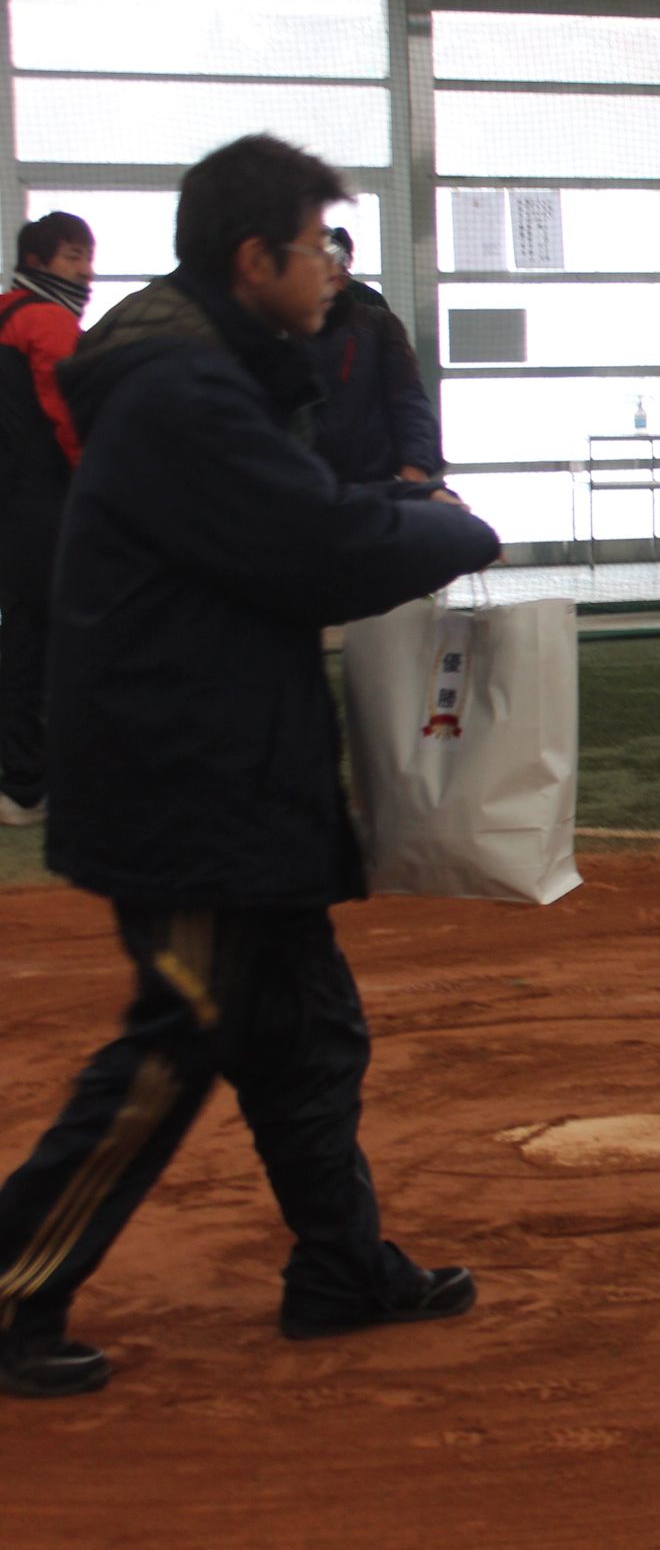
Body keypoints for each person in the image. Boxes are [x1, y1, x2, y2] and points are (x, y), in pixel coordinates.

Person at [0, 134, 502, 1400]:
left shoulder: (210, 369)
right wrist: (446, 525)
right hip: (183, 781)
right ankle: (11, 1284)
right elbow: (314, 542)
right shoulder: (184, 391)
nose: (335, 269)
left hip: (226, 767)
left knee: (307, 1033)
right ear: (253, 258)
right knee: (180, 1043)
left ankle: (340, 1267)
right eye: (318, 246)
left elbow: (301, 521)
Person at [0, 211, 93, 828]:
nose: (87, 271)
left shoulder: (6, 313)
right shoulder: (50, 321)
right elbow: (69, 413)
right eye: (72, 257)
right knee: (61, 645)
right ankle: (48, 786)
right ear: (39, 263)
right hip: (47, 508)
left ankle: (20, 785)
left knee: (20, 642)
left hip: (11, 508)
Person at [307, 228, 440, 487]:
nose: (332, 274)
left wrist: (415, 467)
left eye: (337, 265)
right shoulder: (286, 324)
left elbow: (408, 398)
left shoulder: (377, 322)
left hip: (372, 478)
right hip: (305, 483)